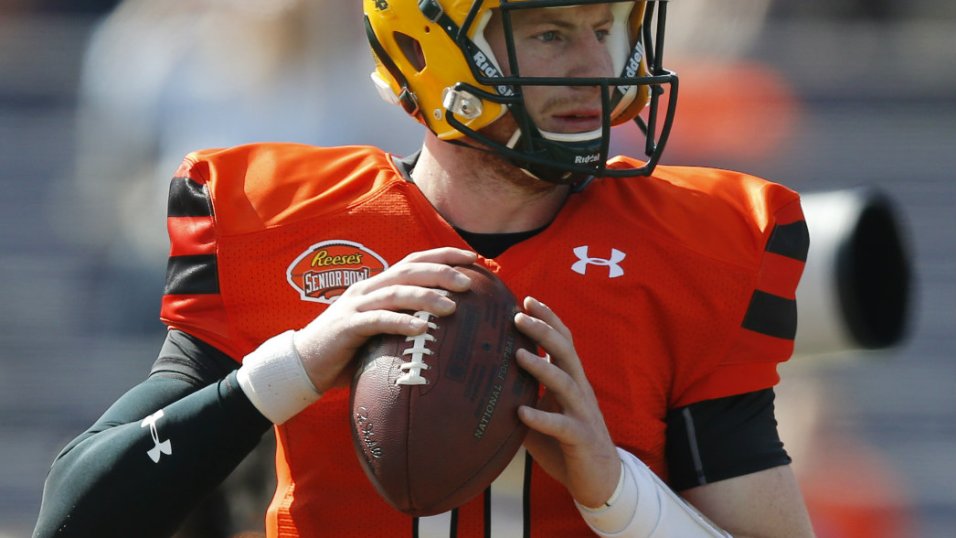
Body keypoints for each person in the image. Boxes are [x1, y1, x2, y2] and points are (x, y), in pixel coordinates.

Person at [34, 1, 816, 536]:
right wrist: (294, 365)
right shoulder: (272, 225)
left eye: (604, 26)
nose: (593, 64)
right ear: (422, 48)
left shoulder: (694, 244)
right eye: (548, 34)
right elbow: (77, 516)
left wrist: (614, 490)